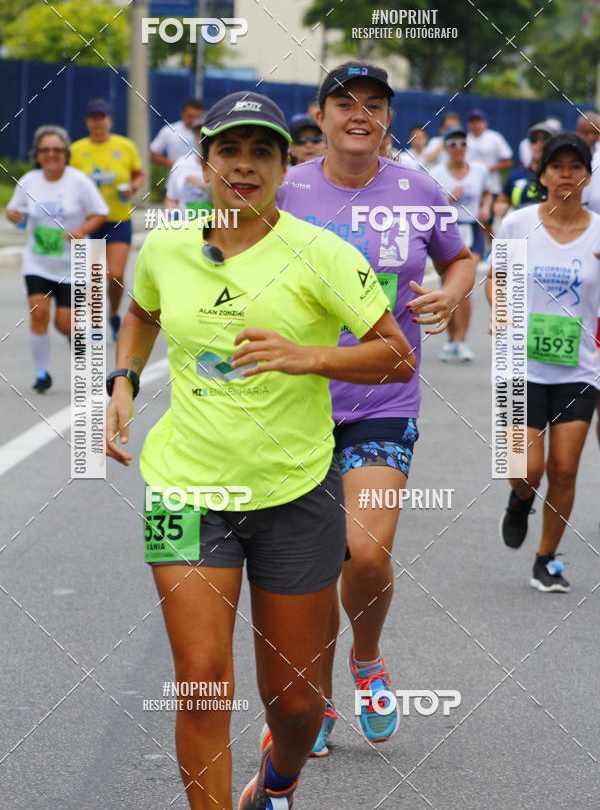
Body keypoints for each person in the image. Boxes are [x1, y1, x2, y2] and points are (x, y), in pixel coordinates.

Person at [105, 91, 415, 810]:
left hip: (297, 493)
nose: (244, 166)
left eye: (262, 153)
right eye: (229, 151)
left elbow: (394, 357)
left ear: (284, 164)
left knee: (299, 702)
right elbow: (144, 310)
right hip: (182, 490)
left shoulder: (321, 253)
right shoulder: (169, 245)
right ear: (205, 160)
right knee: (203, 681)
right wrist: (122, 378)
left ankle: (278, 780)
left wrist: (306, 357)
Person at [278, 62, 474, 753]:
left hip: (383, 398)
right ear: (322, 115)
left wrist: (451, 295)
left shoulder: (418, 189)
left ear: (388, 117)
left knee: (363, 553)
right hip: (295, 404)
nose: (359, 114)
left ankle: (366, 659)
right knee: (304, 569)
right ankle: (316, 695)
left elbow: (460, 257)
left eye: (373, 104)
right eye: (344, 103)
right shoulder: (287, 189)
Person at [488, 133, 600, 592]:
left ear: (588, 177)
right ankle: (519, 501)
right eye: (557, 167)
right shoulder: (518, 224)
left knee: (565, 470)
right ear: (542, 174)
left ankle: (546, 558)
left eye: (576, 167)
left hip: (579, 368)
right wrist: (499, 308)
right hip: (519, 364)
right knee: (524, 468)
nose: (566, 176)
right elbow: (497, 278)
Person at [5, 125, 108, 392]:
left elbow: (101, 212)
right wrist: (12, 215)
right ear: (37, 154)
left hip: (73, 265)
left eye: (57, 150)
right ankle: (42, 373)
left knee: (66, 323)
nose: (51, 154)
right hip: (38, 261)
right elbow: (14, 210)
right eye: (45, 150)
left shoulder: (79, 181)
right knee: (38, 313)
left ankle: (80, 347)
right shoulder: (29, 181)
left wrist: (82, 231)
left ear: (65, 154)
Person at [70, 99, 144, 341]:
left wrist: (132, 187)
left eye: (102, 117)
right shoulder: (77, 150)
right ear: (87, 121)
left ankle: (112, 312)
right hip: (89, 221)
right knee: (93, 277)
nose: (98, 122)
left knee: (115, 274)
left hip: (118, 219)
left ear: (110, 120)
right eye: (94, 117)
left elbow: (138, 173)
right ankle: (96, 321)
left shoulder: (124, 146)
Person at [431, 125, 492, 362]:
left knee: (464, 286)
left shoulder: (479, 170)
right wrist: (448, 199)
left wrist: (486, 207)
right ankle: (450, 341)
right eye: (453, 144)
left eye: (463, 143)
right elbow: (428, 207)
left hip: (471, 229)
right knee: (447, 286)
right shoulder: (436, 173)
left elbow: (488, 192)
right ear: (445, 147)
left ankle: (461, 340)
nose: (459, 148)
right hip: (446, 229)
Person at [493, 121, 554, 218]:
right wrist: (500, 207)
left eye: (545, 139)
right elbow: (502, 201)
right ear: (529, 144)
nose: (539, 143)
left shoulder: (558, 176)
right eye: (534, 139)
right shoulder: (516, 175)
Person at [164, 116, 210, 212]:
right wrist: (173, 213)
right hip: (186, 226)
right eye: (198, 133)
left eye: (206, 134)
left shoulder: (225, 165)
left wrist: (203, 186)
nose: (202, 137)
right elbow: (171, 199)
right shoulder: (181, 163)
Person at [466, 109, 513, 197]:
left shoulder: (494, 137)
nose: (475, 124)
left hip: (492, 187)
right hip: (470, 189)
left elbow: (508, 162)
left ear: (485, 123)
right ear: (468, 124)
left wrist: (487, 169)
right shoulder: (464, 139)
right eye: (472, 121)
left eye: (478, 121)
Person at [150, 98, 205, 169]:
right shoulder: (169, 130)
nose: (193, 120)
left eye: (197, 117)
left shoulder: (207, 132)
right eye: (190, 116)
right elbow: (152, 153)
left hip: (201, 177)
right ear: (182, 113)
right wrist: (171, 164)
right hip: (176, 177)